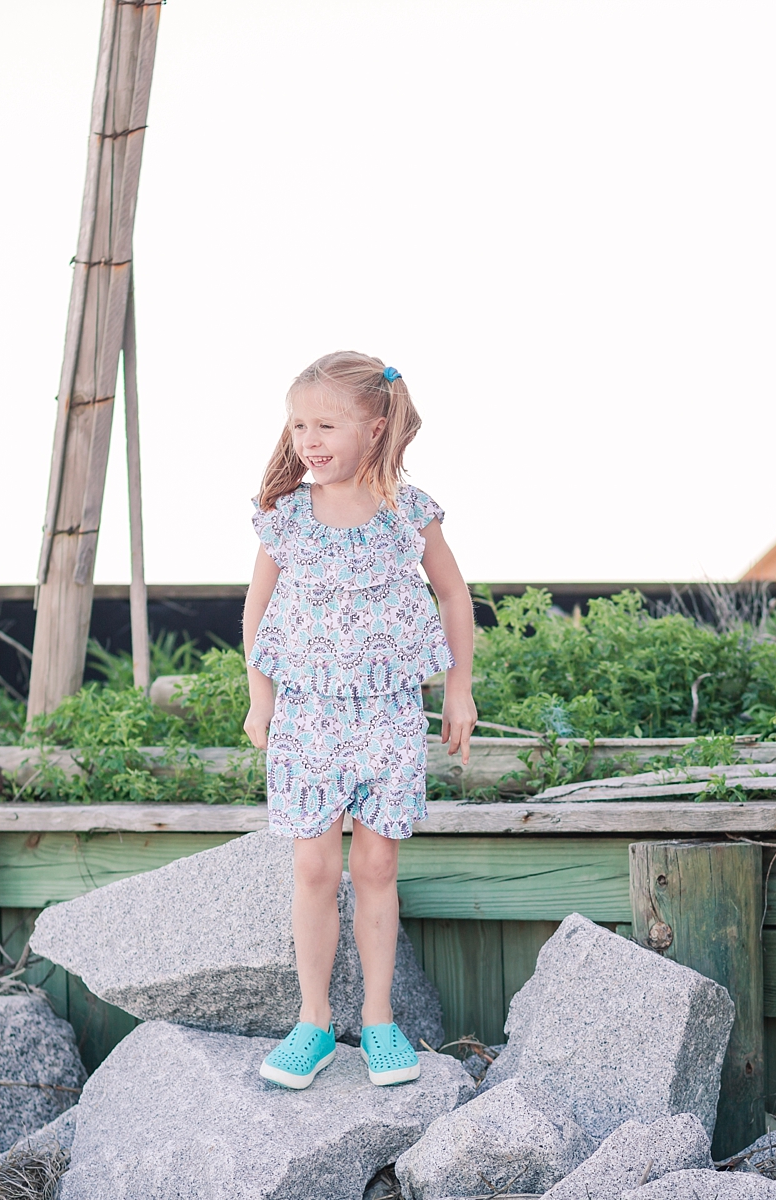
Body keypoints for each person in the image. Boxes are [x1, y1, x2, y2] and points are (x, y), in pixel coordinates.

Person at [241, 350, 477, 1090]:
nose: (309, 439)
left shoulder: (410, 510)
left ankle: (378, 1019)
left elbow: (454, 598)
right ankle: (313, 1022)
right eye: (299, 424)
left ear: (375, 428)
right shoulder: (285, 517)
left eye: (327, 424)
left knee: (376, 866)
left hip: (388, 714)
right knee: (313, 867)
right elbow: (258, 609)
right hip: (308, 714)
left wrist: (460, 688)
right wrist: (260, 695)